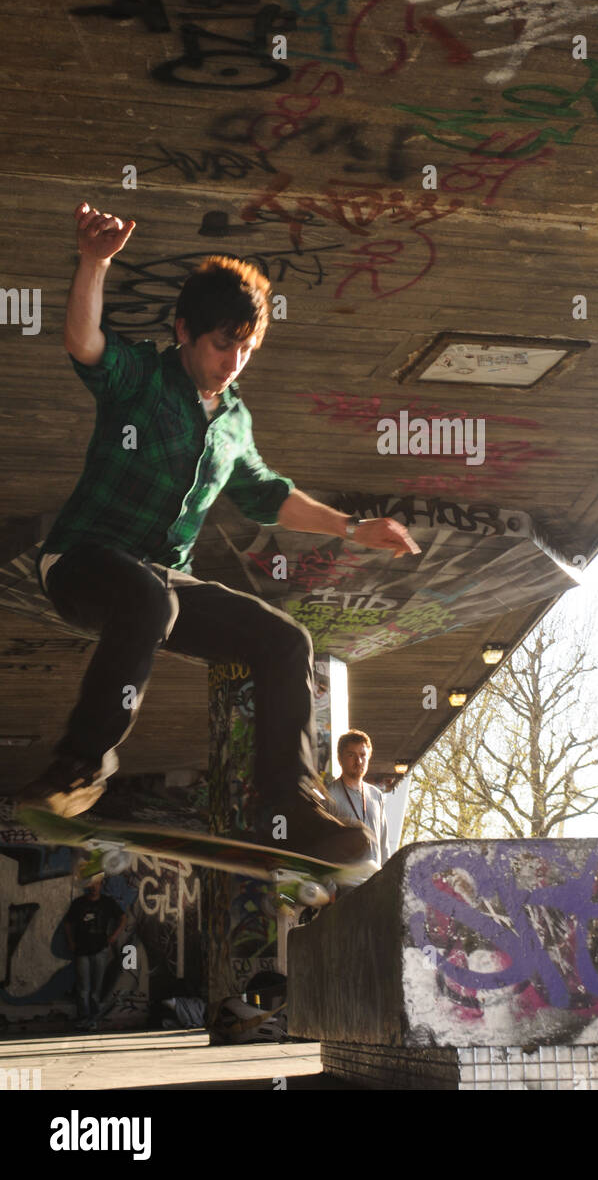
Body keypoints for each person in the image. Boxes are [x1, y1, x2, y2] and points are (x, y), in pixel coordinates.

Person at [18, 203, 421, 863]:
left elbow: (268, 495)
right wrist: (94, 263)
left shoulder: (234, 421)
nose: (232, 361)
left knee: (285, 641)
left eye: (245, 348)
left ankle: (289, 808)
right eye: (220, 344)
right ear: (183, 332)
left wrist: (352, 528)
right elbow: (84, 343)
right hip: (82, 563)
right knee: (150, 598)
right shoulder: (143, 380)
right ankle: (77, 769)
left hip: (161, 583)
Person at [64, 875, 125, 1029]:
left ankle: (93, 1020)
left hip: (100, 950)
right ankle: (85, 1018)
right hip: (82, 951)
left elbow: (123, 918)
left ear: (101, 884)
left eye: (96, 884)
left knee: (96, 990)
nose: (93, 887)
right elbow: (68, 923)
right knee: (83, 989)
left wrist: (113, 937)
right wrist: (71, 942)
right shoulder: (79, 903)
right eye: (91, 884)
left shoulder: (107, 902)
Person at [326, 730, 390, 867]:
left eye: (363, 755)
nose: (358, 761)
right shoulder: (329, 796)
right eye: (351, 755)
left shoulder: (376, 795)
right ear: (339, 758)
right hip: (344, 886)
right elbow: (322, 845)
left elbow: (384, 844)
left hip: (375, 882)